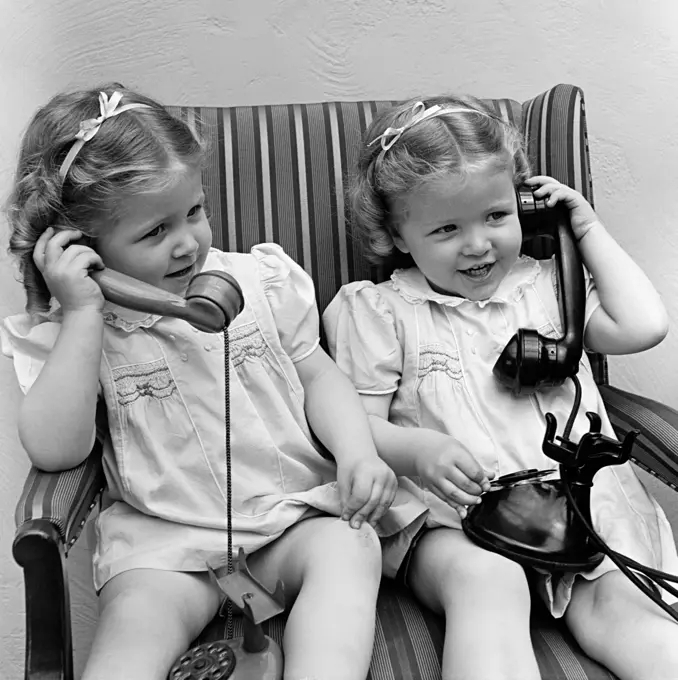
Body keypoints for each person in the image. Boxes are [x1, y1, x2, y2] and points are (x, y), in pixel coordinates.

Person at [1, 84, 427, 680]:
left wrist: (356, 450)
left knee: (350, 547)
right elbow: (55, 448)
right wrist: (81, 315)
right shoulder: (82, 331)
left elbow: (317, 374)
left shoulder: (258, 281)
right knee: (131, 631)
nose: (188, 242)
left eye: (195, 212)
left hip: (290, 516)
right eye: (154, 232)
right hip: (165, 545)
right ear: (79, 245)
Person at [323, 94, 678, 680]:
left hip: (581, 514)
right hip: (454, 522)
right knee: (490, 586)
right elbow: (351, 423)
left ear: (525, 206)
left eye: (496, 216)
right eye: (446, 228)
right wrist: (418, 451)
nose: (479, 244)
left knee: (628, 616)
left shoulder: (546, 289)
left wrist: (582, 227)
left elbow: (645, 325)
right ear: (397, 235)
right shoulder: (382, 311)